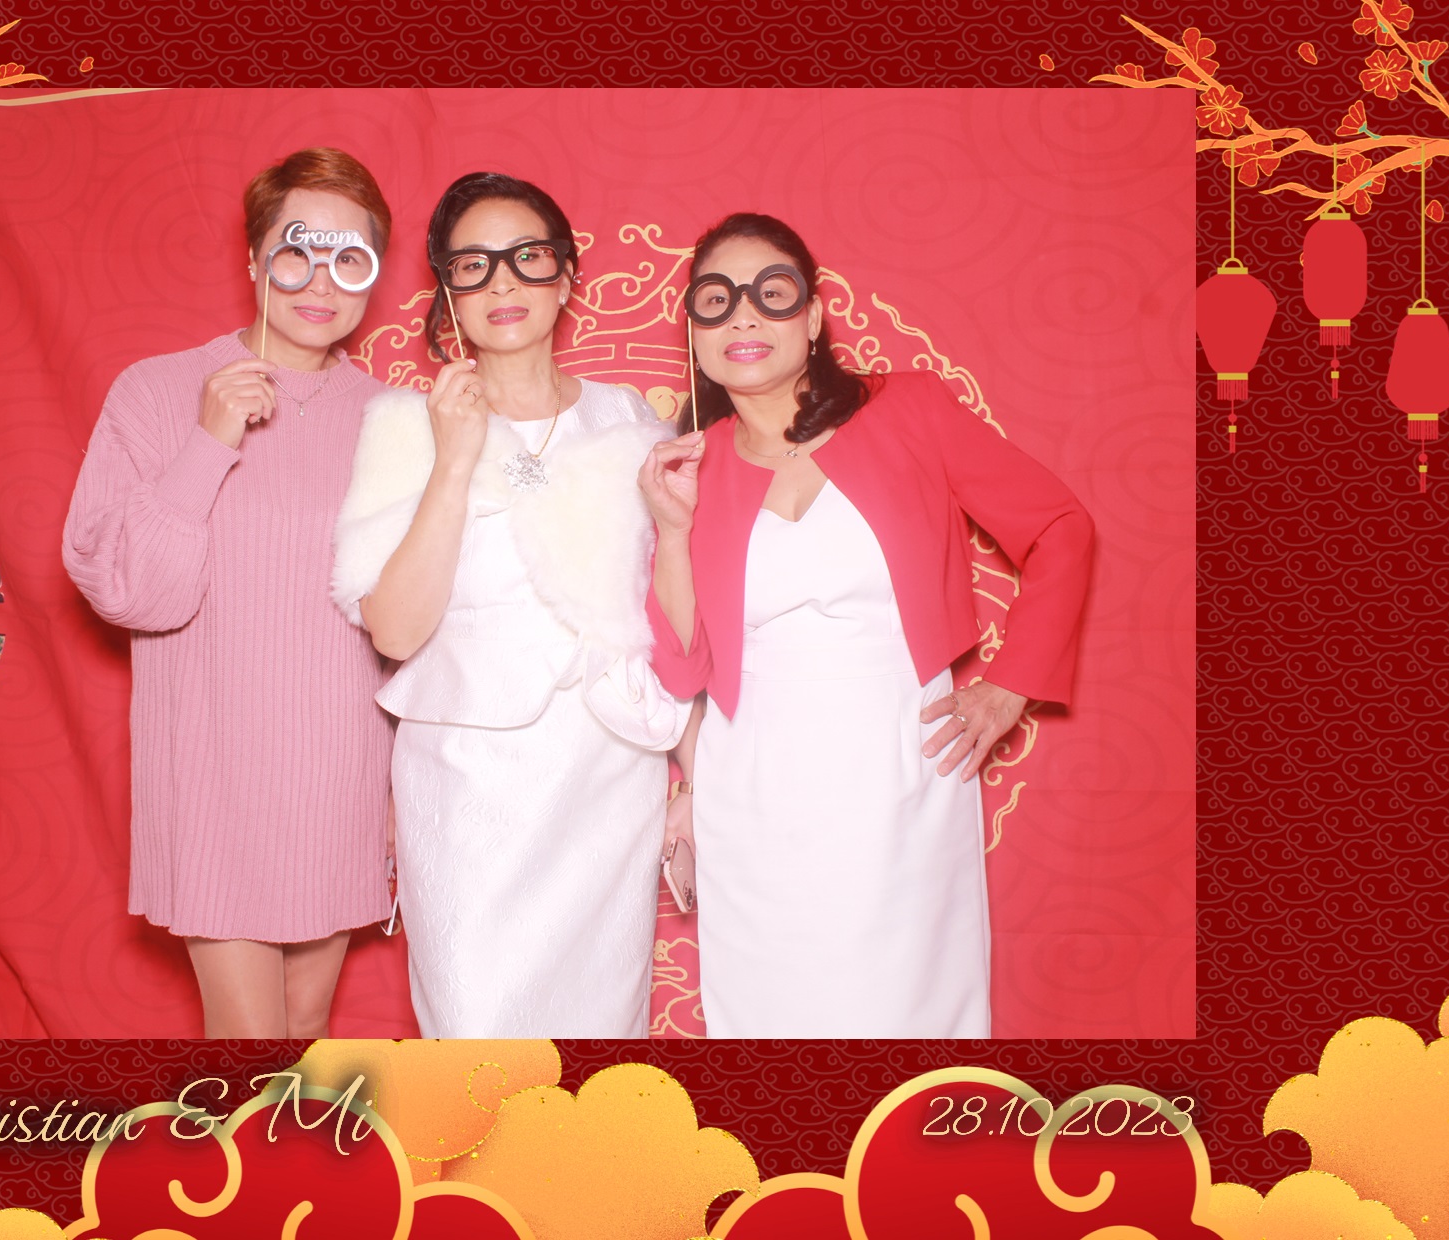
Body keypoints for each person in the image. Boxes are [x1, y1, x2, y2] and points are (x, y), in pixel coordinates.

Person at [639, 212, 1095, 1038]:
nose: (743, 316)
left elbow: (1060, 528)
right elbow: (680, 668)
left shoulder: (908, 409)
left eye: (772, 292)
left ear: (814, 317)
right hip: (752, 793)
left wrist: (1010, 687)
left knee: (909, 1020)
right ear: (696, 335)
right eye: (716, 300)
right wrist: (672, 532)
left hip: (902, 775)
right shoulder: (691, 464)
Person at [331, 172, 688, 1037]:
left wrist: (694, 776)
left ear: (566, 277)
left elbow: (673, 615)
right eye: (474, 265)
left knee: (602, 1035)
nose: (502, 283)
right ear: (448, 293)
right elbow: (395, 628)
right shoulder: (403, 425)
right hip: (468, 783)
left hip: (607, 773)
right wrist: (454, 460)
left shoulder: (631, 421)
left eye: (527, 258)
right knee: (476, 1033)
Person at [62, 148, 395, 1037]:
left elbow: (406, 614)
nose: (320, 281)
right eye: (297, 250)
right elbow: (132, 592)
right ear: (253, 258)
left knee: (306, 1028)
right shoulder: (156, 391)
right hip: (213, 766)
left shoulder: (391, 416)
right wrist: (209, 441)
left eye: (349, 257)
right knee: (248, 1043)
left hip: (340, 768)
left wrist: (404, 787)